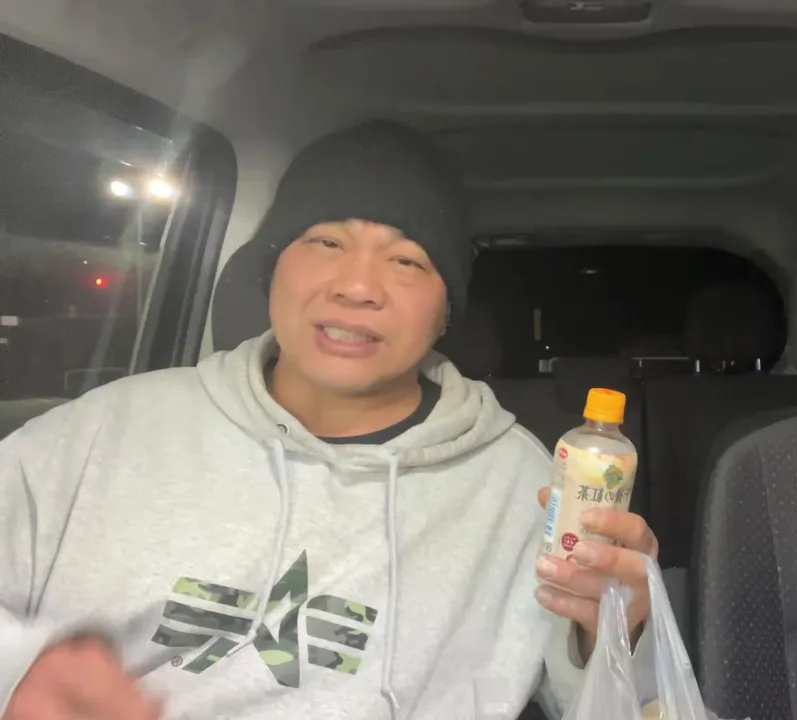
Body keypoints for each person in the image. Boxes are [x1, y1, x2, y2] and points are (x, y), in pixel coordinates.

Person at [0, 121, 660, 719]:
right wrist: (20, 678)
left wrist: (616, 631)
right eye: (326, 241)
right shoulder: (102, 431)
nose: (357, 286)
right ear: (271, 269)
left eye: (406, 260)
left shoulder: (527, 490)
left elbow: (623, 708)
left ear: (445, 311)